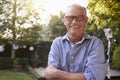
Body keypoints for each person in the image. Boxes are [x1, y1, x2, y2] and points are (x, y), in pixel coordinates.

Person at [45, 4, 108, 80]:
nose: (74, 22)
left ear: (86, 20)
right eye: (70, 18)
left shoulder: (95, 44)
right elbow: (50, 75)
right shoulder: (57, 43)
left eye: (80, 18)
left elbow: (93, 77)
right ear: (64, 21)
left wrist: (57, 73)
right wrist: (83, 76)